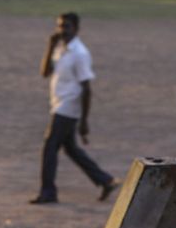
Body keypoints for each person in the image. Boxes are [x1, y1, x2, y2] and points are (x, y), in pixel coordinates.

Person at [31, 13, 117, 206]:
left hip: (68, 106)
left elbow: (87, 88)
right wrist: (50, 45)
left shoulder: (80, 53)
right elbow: (45, 72)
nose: (62, 31)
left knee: (50, 145)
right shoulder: (60, 48)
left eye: (66, 27)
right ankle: (105, 180)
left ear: (76, 29)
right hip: (58, 102)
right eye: (59, 26)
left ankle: (48, 191)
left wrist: (84, 121)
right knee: (70, 149)